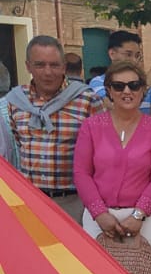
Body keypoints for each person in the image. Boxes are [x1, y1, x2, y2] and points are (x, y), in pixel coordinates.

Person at [73, 62, 151, 258]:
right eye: (119, 86)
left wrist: (139, 214)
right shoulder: (91, 127)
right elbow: (81, 173)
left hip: (145, 218)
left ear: (143, 89)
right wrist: (99, 213)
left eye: (134, 85)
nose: (127, 91)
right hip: (99, 218)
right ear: (109, 90)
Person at [0, 35, 101, 216]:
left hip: (74, 202)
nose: (48, 72)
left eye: (54, 65)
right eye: (39, 65)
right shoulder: (16, 101)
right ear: (28, 66)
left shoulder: (87, 100)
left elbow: (101, 152)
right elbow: (19, 142)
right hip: (30, 201)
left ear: (64, 66)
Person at [88, 30, 151, 119]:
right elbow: (110, 109)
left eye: (137, 56)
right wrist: (147, 85)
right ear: (112, 54)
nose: (134, 60)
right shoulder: (98, 82)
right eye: (128, 54)